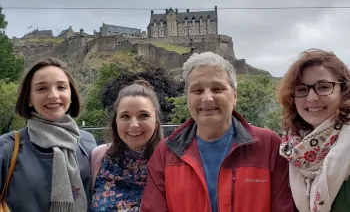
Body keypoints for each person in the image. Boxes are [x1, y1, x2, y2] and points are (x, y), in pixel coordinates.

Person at [140, 52, 294, 212]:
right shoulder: (166, 153)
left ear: (234, 96)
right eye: (197, 91)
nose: (207, 98)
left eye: (217, 89)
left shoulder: (269, 145)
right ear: (187, 98)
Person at [0, 57, 97, 211]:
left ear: (71, 94)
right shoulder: (7, 147)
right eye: (41, 88)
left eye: (61, 87)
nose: (53, 95)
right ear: (29, 98)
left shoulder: (88, 143)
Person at [278, 49, 350, 212]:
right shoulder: (289, 150)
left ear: (344, 90)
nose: (311, 98)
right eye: (302, 89)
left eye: (323, 87)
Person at [90, 80, 163, 212]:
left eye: (143, 115)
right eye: (125, 116)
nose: (134, 124)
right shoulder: (98, 157)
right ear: (116, 121)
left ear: (156, 120)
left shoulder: (168, 161)